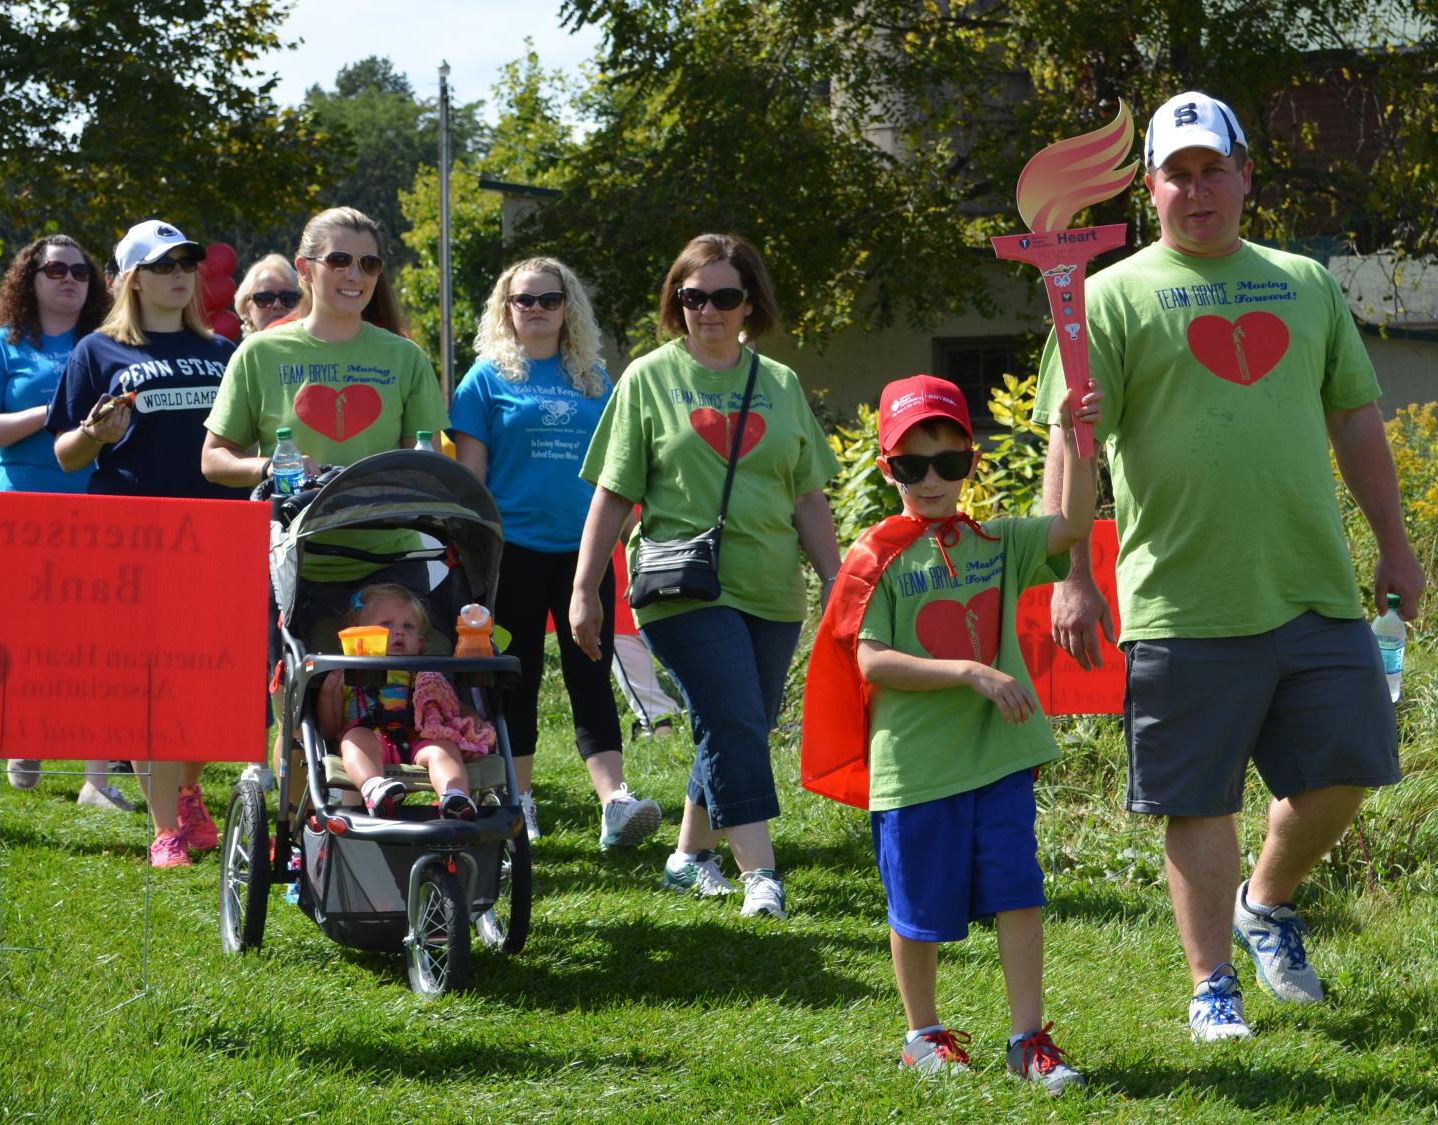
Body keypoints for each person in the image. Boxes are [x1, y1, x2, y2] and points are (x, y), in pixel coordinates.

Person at [1033, 92, 1425, 1041]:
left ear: (1245, 175)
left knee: (1352, 763)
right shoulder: (1108, 296)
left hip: (1312, 583)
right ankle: (1214, 984)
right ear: (1152, 186)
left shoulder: (1305, 280)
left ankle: (1266, 899)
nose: (1198, 189)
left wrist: (1397, 540)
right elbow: (1072, 438)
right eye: (1178, 172)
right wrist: (1070, 572)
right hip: (1181, 592)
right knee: (1195, 797)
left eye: (1214, 169)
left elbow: (1354, 416)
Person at [802, 375, 1097, 1091]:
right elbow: (869, 658)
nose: (931, 480)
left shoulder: (996, 540)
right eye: (911, 465)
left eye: (948, 462)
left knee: (1018, 891)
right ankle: (923, 1034)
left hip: (1001, 757)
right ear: (887, 470)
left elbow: (1070, 527)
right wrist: (970, 670)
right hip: (916, 769)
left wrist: (1080, 440)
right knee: (918, 908)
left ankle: (1029, 1039)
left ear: (972, 460)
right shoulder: (876, 557)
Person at [569, 233, 843, 920]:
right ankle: (762, 873)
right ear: (677, 302)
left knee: (736, 721)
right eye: (694, 297)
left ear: (750, 302)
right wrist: (583, 589)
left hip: (774, 590)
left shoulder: (777, 384)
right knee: (733, 717)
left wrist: (839, 583)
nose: (709, 310)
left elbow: (808, 496)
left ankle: (689, 856)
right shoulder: (648, 378)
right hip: (680, 586)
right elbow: (612, 492)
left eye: (725, 296)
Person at [202, 207, 447, 793]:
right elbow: (213, 459)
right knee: (304, 705)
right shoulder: (261, 353)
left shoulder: (404, 357)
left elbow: (432, 453)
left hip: (388, 559)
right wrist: (272, 466)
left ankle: (419, 805)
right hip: (299, 559)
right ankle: (297, 839)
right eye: (339, 259)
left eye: (368, 262)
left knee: (402, 699)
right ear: (306, 268)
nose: (354, 274)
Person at [46, 218, 242, 866]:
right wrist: (97, 433)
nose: (179, 273)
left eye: (187, 261)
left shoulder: (222, 351)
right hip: (134, 535)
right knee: (152, 680)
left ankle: (187, 790)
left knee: (211, 675)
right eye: (162, 264)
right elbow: (67, 455)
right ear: (132, 278)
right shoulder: (97, 352)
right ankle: (166, 830)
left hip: (216, 530)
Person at [451, 256, 660, 849]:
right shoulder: (485, 379)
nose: (537, 309)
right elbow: (471, 482)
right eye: (525, 300)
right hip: (511, 549)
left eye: (550, 298)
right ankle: (519, 803)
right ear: (506, 308)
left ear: (569, 307)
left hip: (584, 550)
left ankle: (614, 803)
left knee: (591, 670)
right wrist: (474, 554)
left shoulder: (596, 378)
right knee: (516, 676)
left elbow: (622, 469)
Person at [0, 235, 124, 808]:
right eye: (55, 270)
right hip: (22, 509)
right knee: (29, 637)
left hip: (101, 504)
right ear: (30, 279)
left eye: (81, 270)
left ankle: (96, 783)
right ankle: (26, 735)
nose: (70, 279)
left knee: (98, 641)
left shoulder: (105, 346)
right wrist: (50, 414)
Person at [316, 583, 495, 819]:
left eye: (407, 626)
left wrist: (472, 716)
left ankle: (455, 796)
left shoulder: (426, 674)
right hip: (372, 740)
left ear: (420, 642)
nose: (398, 631)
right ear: (359, 635)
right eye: (386, 625)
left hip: (418, 741)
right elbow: (328, 730)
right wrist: (329, 692)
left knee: (445, 748)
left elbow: (451, 705)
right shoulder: (348, 673)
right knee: (354, 739)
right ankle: (374, 787)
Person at [232, 254, 301, 335]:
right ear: (246, 309)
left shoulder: (317, 346)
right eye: (265, 298)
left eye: (288, 298)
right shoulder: (238, 348)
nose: (277, 305)